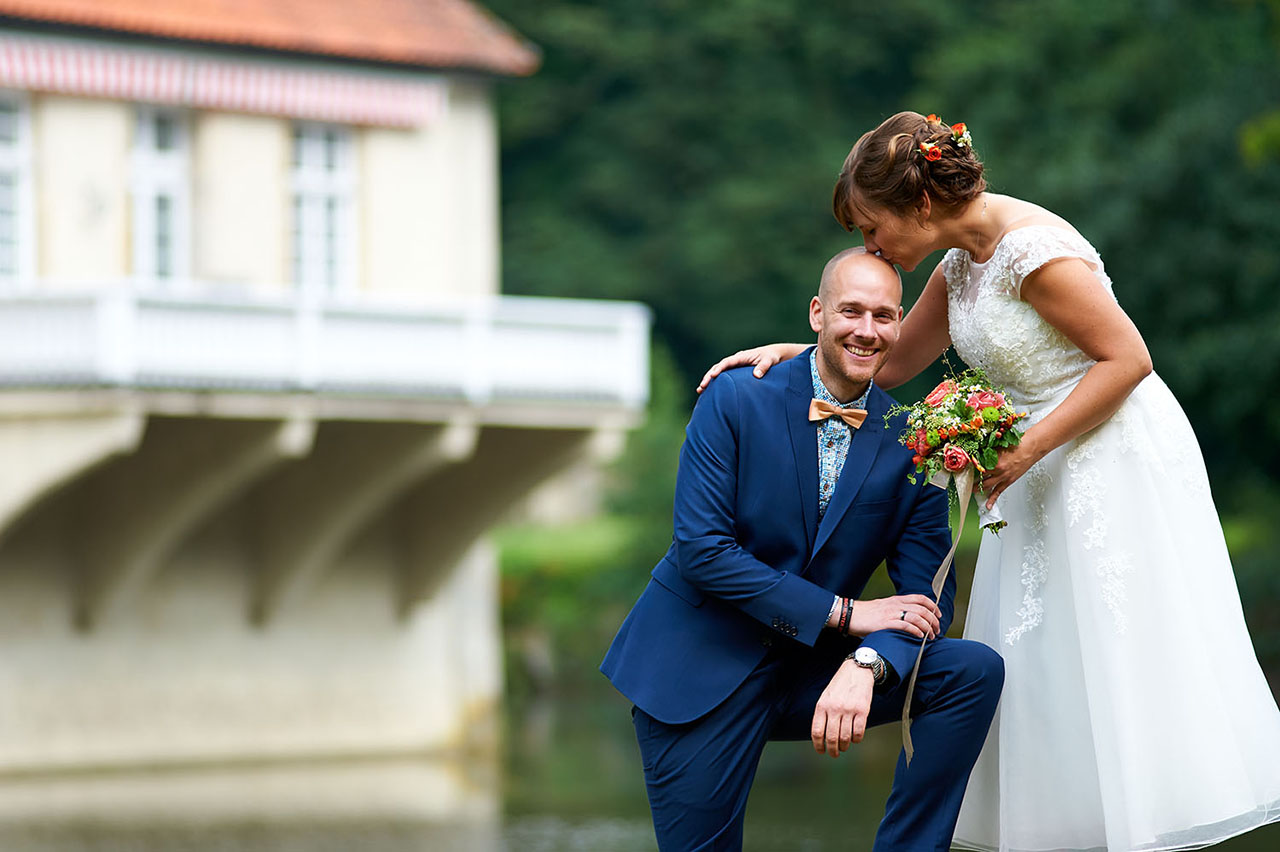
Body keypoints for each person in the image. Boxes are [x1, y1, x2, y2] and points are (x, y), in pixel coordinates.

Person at [699, 111, 1280, 851]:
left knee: (1114, 657)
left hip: (1105, 458)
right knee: (1037, 664)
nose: (871, 248)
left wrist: (1027, 448)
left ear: (919, 205)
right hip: (1033, 469)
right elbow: (898, 362)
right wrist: (800, 349)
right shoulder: (956, 262)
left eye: (874, 230)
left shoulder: (1032, 252)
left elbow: (1129, 360)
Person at [601, 247, 1004, 851]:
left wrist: (869, 662)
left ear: (900, 324)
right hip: (699, 666)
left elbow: (929, 597)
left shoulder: (913, 441)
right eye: (851, 311)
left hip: (811, 669)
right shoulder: (734, 398)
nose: (867, 331)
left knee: (971, 672)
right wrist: (847, 614)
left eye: (885, 316)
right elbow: (703, 551)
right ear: (817, 314)